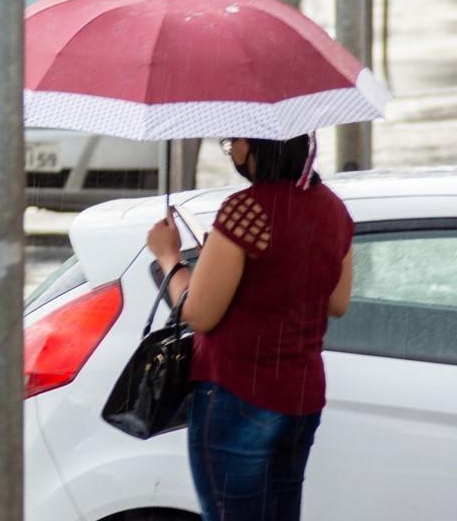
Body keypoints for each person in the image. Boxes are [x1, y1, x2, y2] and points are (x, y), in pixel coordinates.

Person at [145, 135, 354, 521]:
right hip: (302, 397)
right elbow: (337, 303)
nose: (232, 152)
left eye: (234, 143)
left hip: (238, 393)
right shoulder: (333, 209)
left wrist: (168, 255)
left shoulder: (246, 212)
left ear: (262, 145)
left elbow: (199, 314)